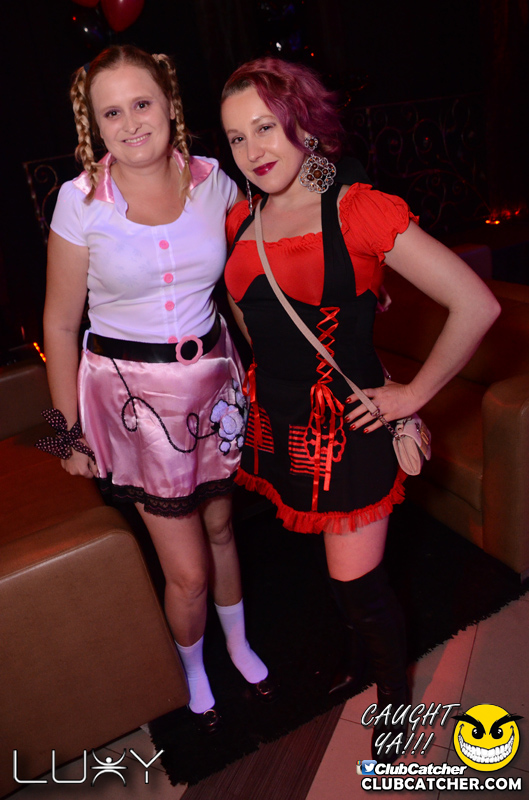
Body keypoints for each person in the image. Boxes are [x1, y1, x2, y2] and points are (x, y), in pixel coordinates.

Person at [220, 57, 500, 759]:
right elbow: (248, 312)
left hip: (349, 428)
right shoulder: (239, 217)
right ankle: (359, 662)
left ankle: (395, 704)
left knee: (358, 584)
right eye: (236, 137)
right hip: (283, 425)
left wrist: (412, 393)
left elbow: (476, 303)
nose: (253, 150)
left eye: (266, 127)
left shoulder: (358, 210)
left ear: (304, 123)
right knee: (337, 573)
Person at [39, 45, 273, 733]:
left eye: (141, 103)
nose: (131, 123)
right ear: (94, 125)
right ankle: (192, 668)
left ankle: (237, 642)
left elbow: (250, 284)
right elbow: (59, 325)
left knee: (223, 527)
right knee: (189, 571)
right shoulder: (79, 201)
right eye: (111, 113)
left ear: (170, 102)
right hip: (132, 402)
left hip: (213, 384)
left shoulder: (216, 182)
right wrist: (64, 434)